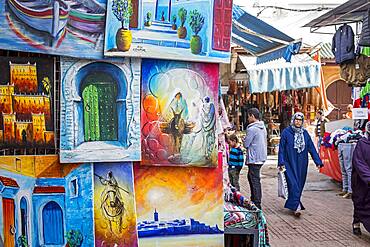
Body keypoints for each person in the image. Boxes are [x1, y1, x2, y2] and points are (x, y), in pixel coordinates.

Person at [278, 112, 323, 217]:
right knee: (293, 184)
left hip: (302, 163)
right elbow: (282, 149)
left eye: (300, 120)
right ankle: (296, 207)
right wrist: (281, 162)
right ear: (293, 120)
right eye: (296, 120)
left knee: (299, 184)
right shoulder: (286, 132)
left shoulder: (305, 133)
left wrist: (318, 162)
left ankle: (294, 204)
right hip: (289, 162)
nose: (298, 122)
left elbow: (311, 148)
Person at [243, 108, 267, 209]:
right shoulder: (262, 127)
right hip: (261, 156)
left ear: (252, 116)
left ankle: (257, 203)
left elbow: (246, 144)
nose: (248, 119)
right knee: (252, 178)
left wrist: (244, 140)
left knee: (254, 180)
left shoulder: (252, 128)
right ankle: (254, 200)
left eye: (248, 116)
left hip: (254, 158)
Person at [351, 121, 370, 235]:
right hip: (361, 181)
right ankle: (356, 223)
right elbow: (359, 163)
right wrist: (368, 178)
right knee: (360, 202)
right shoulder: (361, 144)